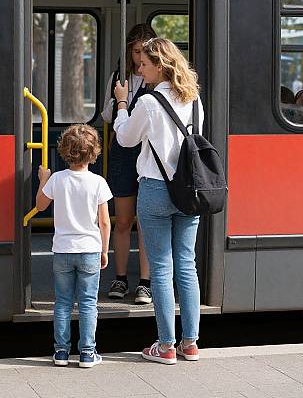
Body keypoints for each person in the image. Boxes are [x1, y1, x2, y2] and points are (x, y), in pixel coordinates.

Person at [114, 37, 203, 365]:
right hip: (188, 191)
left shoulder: (149, 102)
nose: (139, 68)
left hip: (154, 188)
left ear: (161, 66)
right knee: (187, 264)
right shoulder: (194, 100)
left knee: (162, 267)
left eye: (145, 64)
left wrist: (122, 104)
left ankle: (165, 346)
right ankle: (190, 343)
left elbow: (125, 138)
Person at [35, 124, 112, 368]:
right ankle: (88, 353)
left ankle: (61, 352)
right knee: (88, 302)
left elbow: (40, 206)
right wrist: (104, 250)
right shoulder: (98, 182)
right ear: (94, 153)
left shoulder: (57, 179)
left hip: (63, 250)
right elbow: (105, 222)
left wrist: (43, 180)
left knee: (63, 302)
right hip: (89, 249)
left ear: (64, 151)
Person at [101, 23, 156, 305]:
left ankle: (145, 282)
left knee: (145, 222)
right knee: (122, 221)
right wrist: (117, 99)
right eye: (136, 51)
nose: (140, 58)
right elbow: (108, 117)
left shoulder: (157, 80)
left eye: (145, 52)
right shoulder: (119, 77)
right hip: (123, 154)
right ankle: (120, 277)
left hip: (147, 152)